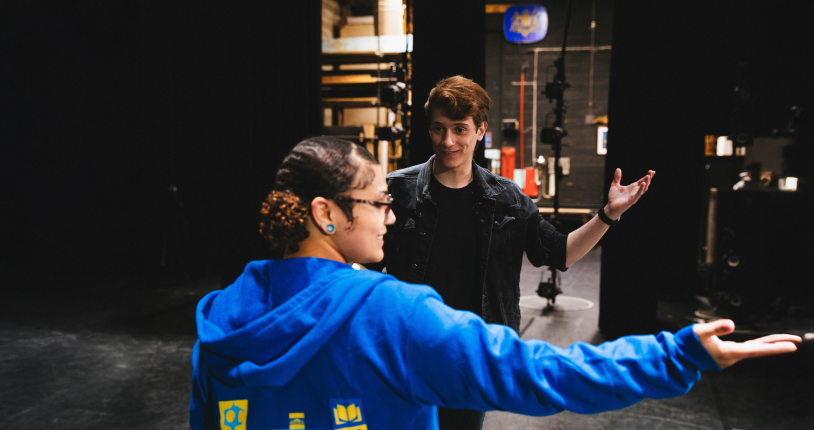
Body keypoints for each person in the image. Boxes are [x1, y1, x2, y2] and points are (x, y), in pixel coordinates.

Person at [189, 136, 799, 430]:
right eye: (378, 203)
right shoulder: (392, 315)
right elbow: (538, 374)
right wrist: (676, 354)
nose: (391, 215)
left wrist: (606, 215)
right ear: (327, 213)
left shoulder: (222, 319)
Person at [370, 75, 655, 428]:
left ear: (480, 130)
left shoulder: (507, 198)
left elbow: (561, 252)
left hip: (472, 354)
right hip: (407, 347)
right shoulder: (397, 189)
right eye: (438, 129)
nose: (447, 141)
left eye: (459, 129)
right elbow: (364, 265)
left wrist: (608, 214)